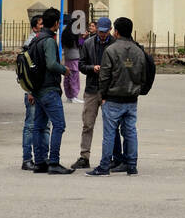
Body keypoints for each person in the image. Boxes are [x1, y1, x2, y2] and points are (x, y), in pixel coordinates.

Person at [89, 16, 148, 176]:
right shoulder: (138, 51)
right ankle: (131, 164)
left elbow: (105, 76)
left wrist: (102, 95)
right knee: (130, 131)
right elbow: (143, 75)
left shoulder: (111, 50)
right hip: (131, 98)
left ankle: (104, 166)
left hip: (113, 97)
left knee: (109, 133)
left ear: (116, 32)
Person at [31, 7, 73, 175]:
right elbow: (51, 64)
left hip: (38, 89)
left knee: (38, 126)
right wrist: (64, 70)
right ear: (56, 23)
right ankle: (54, 162)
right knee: (59, 125)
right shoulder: (48, 40)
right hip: (49, 89)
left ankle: (39, 162)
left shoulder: (36, 39)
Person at [71, 15, 115, 169]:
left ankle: (110, 157)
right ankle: (84, 156)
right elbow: (81, 65)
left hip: (109, 91)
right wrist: (92, 68)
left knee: (111, 126)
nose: (102, 35)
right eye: (100, 31)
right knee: (87, 124)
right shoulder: (89, 43)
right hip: (91, 89)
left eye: (105, 32)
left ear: (110, 30)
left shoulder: (115, 44)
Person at [21, 13, 49, 171]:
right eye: (40, 24)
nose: (43, 26)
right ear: (34, 27)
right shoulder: (31, 43)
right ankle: (27, 159)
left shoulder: (43, 40)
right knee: (31, 126)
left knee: (45, 126)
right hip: (33, 91)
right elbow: (28, 70)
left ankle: (43, 158)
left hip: (44, 90)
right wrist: (30, 91)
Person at [61, 14, 82, 102]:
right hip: (75, 58)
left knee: (68, 76)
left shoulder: (65, 33)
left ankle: (69, 96)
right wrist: (83, 38)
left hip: (68, 58)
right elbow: (79, 44)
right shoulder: (74, 34)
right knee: (74, 77)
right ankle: (74, 96)